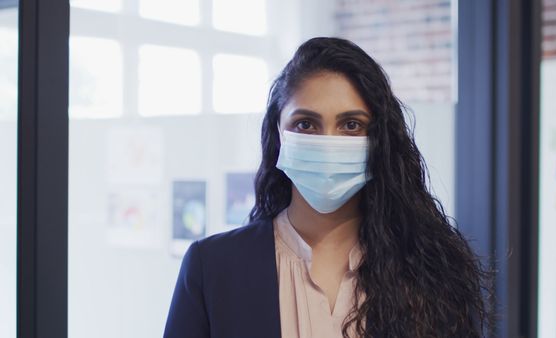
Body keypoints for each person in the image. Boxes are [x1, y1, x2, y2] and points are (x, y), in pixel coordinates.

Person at [164, 37, 491, 338]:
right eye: (305, 124)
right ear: (279, 134)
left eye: (351, 125)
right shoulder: (213, 268)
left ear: (379, 140)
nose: (328, 143)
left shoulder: (428, 273)